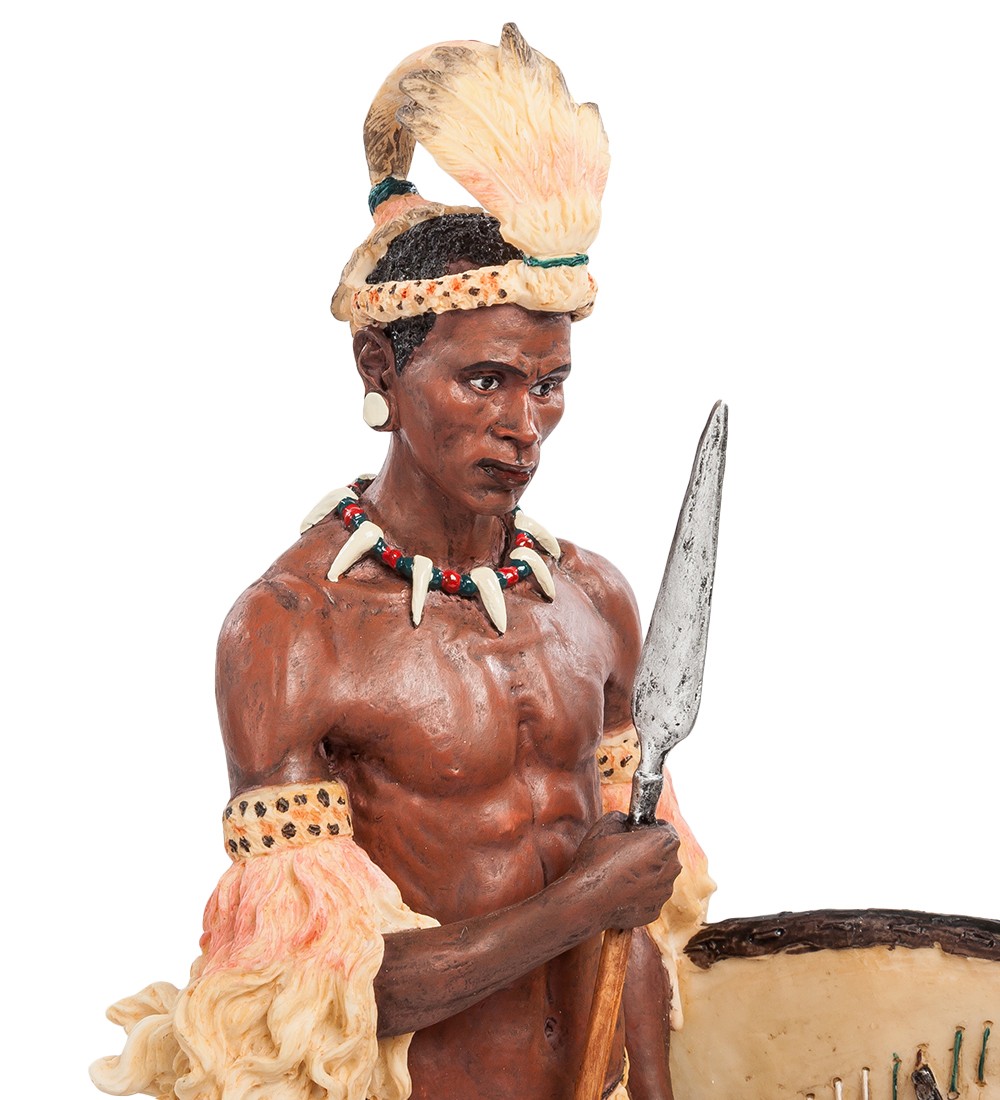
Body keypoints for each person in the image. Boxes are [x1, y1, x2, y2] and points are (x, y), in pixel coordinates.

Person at [91, 26, 713, 1100]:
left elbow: (638, 926)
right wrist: (580, 901)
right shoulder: (294, 631)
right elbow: (322, 998)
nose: (525, 426)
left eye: (549, 384)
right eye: (485, 380)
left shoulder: (596, 600)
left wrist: (655, 1089)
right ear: (381, 366)